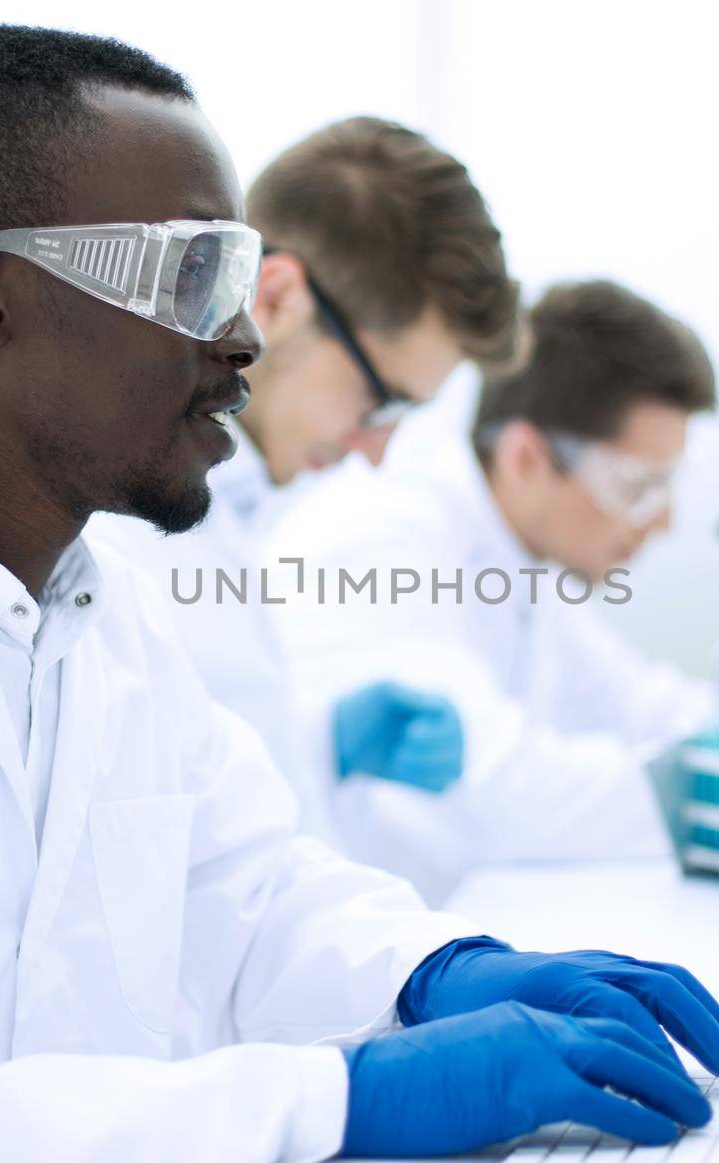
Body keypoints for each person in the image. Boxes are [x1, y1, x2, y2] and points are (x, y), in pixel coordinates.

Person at [0, 26, 719, 1162]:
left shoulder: (106, 614)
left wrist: (433, 971)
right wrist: (342, 1103)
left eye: (238, 275)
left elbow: (244, 895)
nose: (245, 338)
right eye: (189, 275)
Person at [87, 116, 520, 838]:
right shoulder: (122, 525)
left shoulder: (221, 505)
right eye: (381, 401)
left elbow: (198, 779)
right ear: (279, 298)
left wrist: (323, 744)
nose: (376, 450)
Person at [272, 280, 719, 901]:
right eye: (638, 486)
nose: (663, 522)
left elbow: (642, 704)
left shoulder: (519, 564)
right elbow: (500, 795)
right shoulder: (381, 544)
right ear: (526, 458)